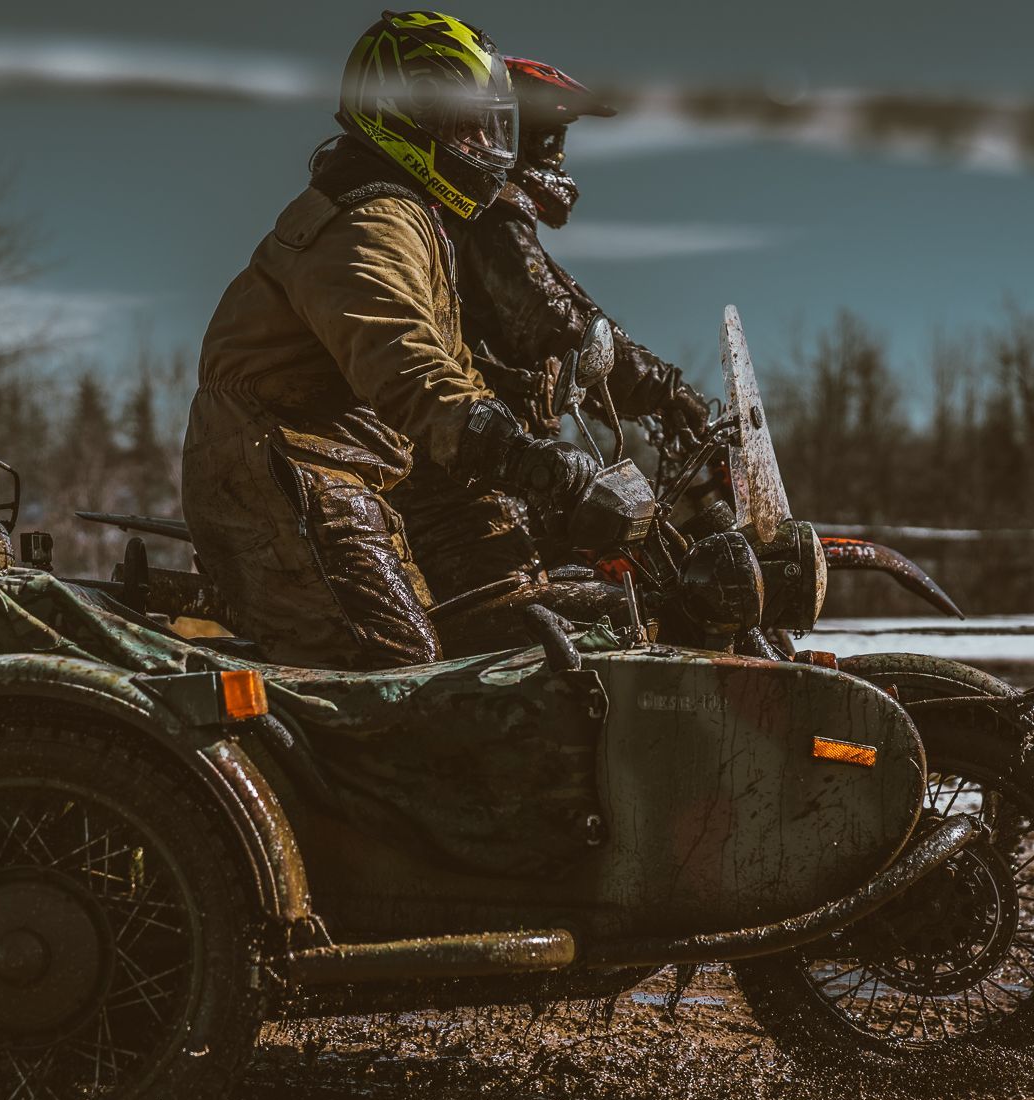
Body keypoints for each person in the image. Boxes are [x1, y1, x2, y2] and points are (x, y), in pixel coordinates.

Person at [181, 11, 635, 669]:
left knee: (468, 645)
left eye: (490, 123)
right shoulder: (369, 218)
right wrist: (532, 462)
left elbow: (456, 375)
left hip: (333, 475)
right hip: (286, 475)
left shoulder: (412, 218)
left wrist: (523, 468)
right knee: (399, 675)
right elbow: (409, 370)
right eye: (465, 121)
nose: (483, 142)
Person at [397, 56, 715, 600]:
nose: (556, 156)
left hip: (506, 464)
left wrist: (643, 398)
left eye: (558, 140)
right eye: (544, 138)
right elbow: (551, 321)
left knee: (584, 585)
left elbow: (568, 346)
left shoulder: (484, 218)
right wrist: (663, 389)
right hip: (470, 474)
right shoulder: (490, 218)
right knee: (524, 608)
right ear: (504, 134)